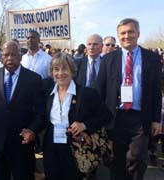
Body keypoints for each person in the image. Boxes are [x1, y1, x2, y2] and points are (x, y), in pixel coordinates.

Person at [95, 18, 162, 180]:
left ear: (138, 33)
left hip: (140, 118)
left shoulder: (151, 58)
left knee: (137, 159)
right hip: (115, 117)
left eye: (131, 32)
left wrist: (156, 120)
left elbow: (156, 91)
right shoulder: (109, 59)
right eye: (123, 33)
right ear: (118, 36)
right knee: (116, 161)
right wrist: (99, 120)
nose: (127, 36)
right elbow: (100, 91)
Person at [0, 41, 45, 180]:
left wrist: (32, 130)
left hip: (22, 145)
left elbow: (40, 112)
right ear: (1, 57)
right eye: (6, 55)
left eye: (14, 54)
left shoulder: (34, 79)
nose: (10, 58)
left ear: (20, 56)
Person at [43, 52, 111, 180]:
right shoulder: (47, 93)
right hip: (51, 145)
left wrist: (84, 125)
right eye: (56, 69)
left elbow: (106, 116)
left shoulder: (87, 94)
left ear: (72, 70)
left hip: (76, 146)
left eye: (64, 68)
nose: (60, 73)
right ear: (52, 72)